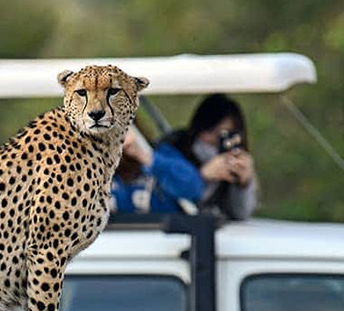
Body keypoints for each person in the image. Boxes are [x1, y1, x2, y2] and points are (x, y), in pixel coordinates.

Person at [110, 93, 258, 220]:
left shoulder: (166, 156)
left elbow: (191, 188)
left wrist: (243, 183)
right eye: (211, 130)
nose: (213, 139)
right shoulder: (94, 168)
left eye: (225, 135)